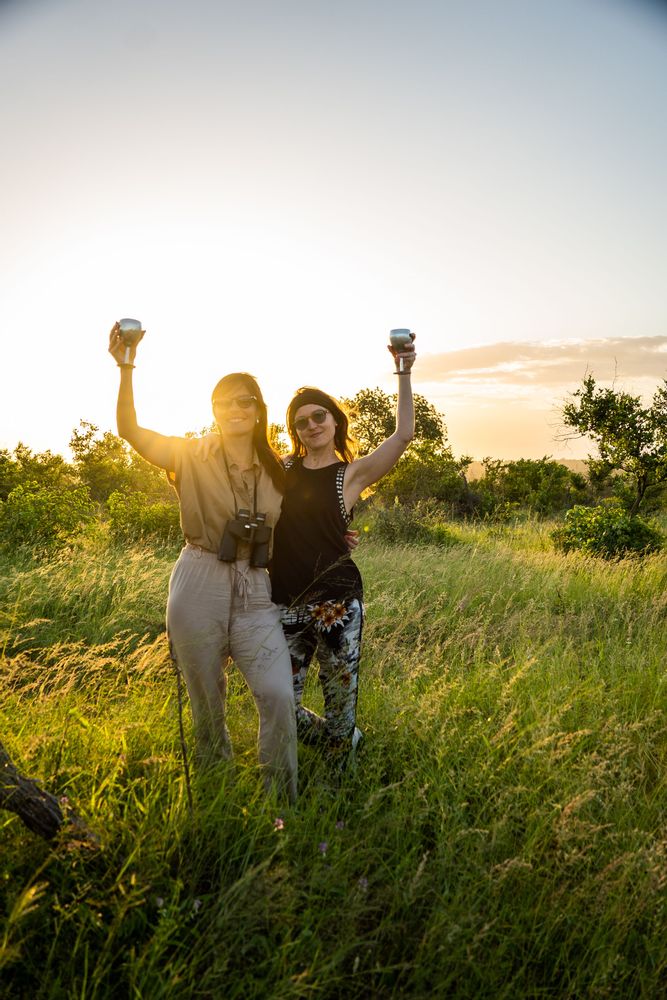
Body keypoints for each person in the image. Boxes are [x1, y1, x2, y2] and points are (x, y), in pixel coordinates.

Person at [108, 322, 297, 802]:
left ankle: (282, 804)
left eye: (245, 400)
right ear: (213, 409)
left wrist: (343, 537)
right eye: (225, 400)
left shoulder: (279, 470)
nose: (236, 408)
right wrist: (126, 366)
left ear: (258, 411)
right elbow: (129, 430)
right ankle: (217, 798)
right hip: (198, 579)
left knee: (277, 695)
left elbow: (307, 519)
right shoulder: (188, 455)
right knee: (206, 704)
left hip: (256, 588)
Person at [270, 336, 416, 767]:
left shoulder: (349, 475)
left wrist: (403, 371)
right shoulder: (281, 469)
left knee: (339, 703)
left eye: (320, 416)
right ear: (293, 431)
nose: (311, 425)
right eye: (301, 422)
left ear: (335, 421)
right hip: (286, 604)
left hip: (338, 603)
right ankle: (343, 741)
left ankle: (339, 776)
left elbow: (403, 434)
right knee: (282, 707)